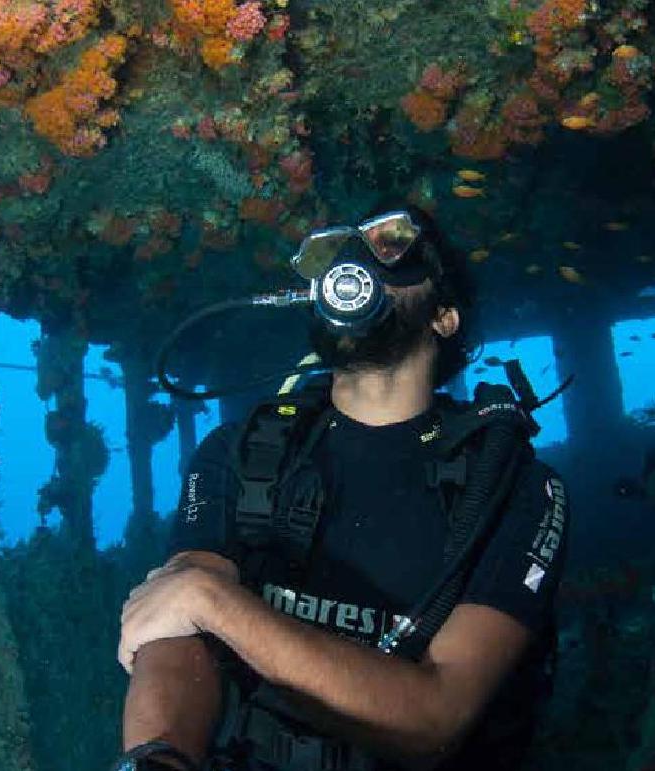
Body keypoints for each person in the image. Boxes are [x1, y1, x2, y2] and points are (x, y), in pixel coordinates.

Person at [114, 206, 570, 771]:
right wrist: (164, 759)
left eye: (390, 247)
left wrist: (213, 602)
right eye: (338, 255)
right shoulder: (239, 453)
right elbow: (173, 630)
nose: (355, 264)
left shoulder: (513, 486)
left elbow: (437, 719)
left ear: (445, 316)